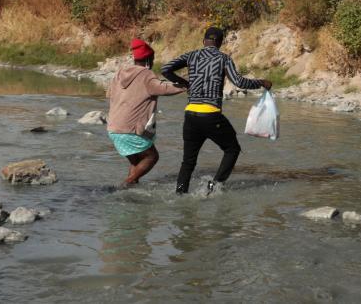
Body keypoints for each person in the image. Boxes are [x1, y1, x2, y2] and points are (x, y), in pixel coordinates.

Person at [161, 26, 272, 195]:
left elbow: (165, 69)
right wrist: (261, 82)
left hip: (190, 115)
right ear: (220, 43)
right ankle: (213, 188)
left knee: (188, 161)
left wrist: (185, 83)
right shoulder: (224, 58)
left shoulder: (191, 56)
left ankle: (180, 194)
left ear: (203, 41)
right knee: (232, 149)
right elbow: (239, 82)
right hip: (211, 115)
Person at [106, 38, 185, 187]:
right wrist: (185, 86)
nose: (153, 63)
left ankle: (131, 189)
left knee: (136, 161)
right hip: (130, 130)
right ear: (148, 59)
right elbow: (163, 88)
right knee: (151, 157)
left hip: (113, 129)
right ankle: (125, 185)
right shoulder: (145, 74)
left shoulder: (120, 74)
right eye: (153, 59)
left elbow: (109, 94)